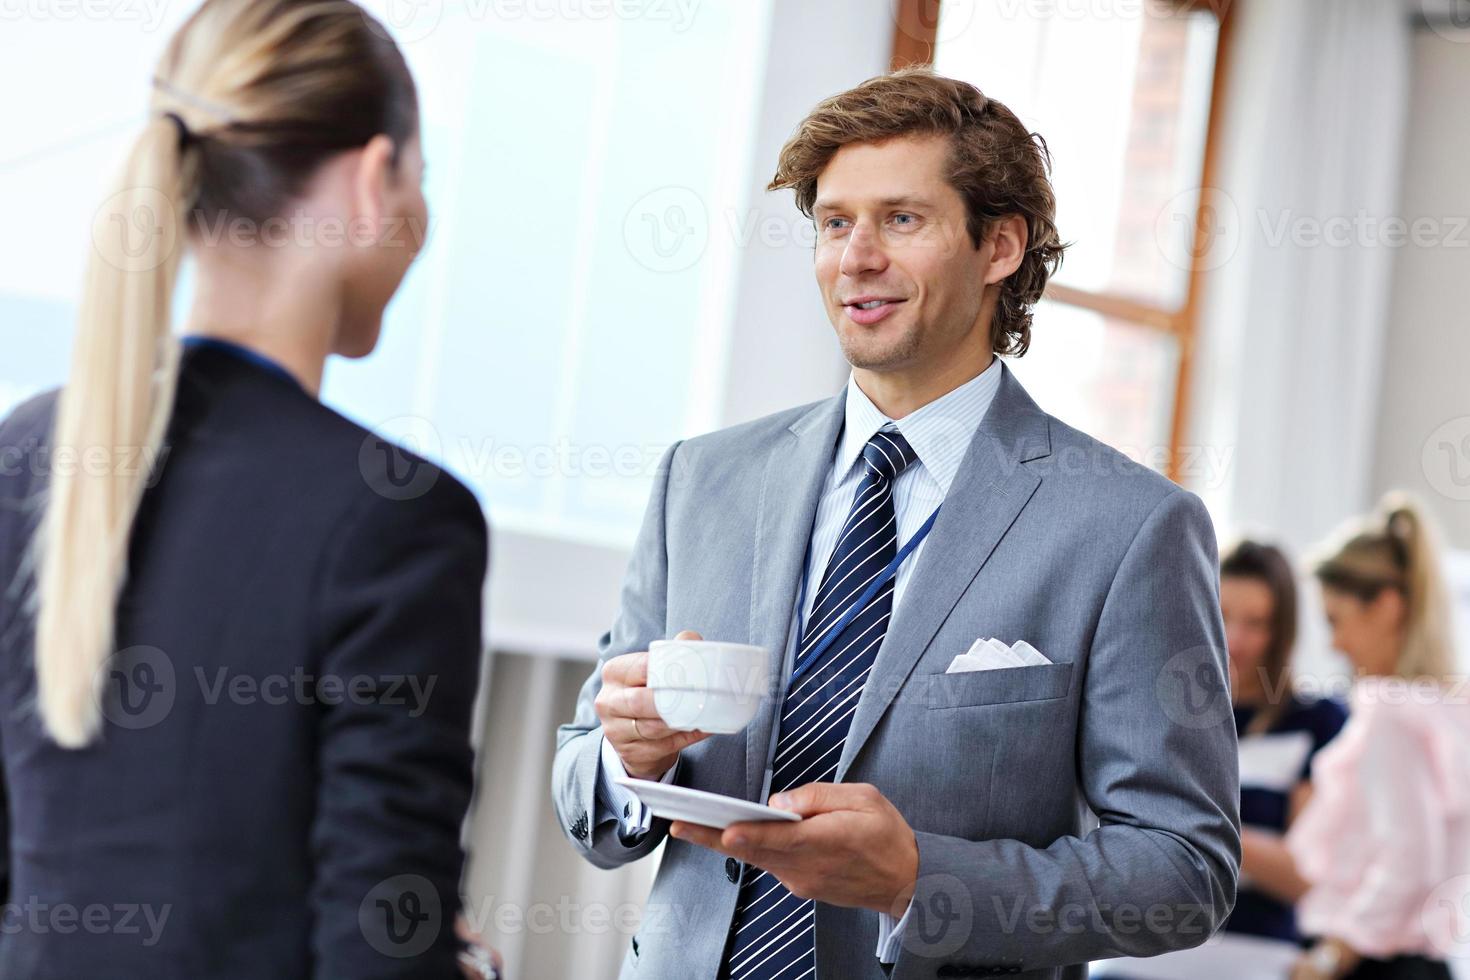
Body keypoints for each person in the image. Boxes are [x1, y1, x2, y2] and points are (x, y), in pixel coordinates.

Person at [553, 68, 1239, 980]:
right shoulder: (703, 479)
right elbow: (584, 795)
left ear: (999, 246)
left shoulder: (1129, 527)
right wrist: (621, 757)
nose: (855, 258)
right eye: (835, 223)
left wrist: (919, 877)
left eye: (901, 220)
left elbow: (1183, 870)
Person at [0, 2, 491, 976]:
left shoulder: (22, 452)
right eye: (419, 178)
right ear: (368, 181)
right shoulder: (398, 517)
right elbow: (375, 948)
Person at [1092, 540, 1348, 979]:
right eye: (1223, 616)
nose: (1235, 640)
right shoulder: (1152, 709)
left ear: (1282, 632)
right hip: (1134, 963)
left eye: (1258, 623)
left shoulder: (1316, 720)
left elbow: (1308, 874)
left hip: (1255, 965)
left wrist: (1190, 835)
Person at [1284, 495, 1470, 980]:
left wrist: (1330, 958)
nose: (1334, 643)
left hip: (1372, 965)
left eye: (1335, 620)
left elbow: (1411, 859)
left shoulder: (1388, 712)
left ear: (1386, 607)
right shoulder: (1442, 710)